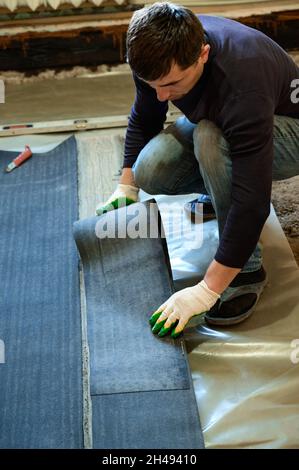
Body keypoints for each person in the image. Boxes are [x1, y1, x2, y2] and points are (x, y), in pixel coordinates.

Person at [96, 2, 299, 338]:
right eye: (154, 84)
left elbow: (252, 201)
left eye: (172, 83)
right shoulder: (153, 51)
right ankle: (217, 187)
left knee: (209, 140)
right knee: (151, 170)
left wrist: (207, 289)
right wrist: (127, 186)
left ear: (202, 54)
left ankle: (247, 271)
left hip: (288, 130)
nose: (161, 94)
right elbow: (145, 117)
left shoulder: (243, 80)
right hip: (226, 120)